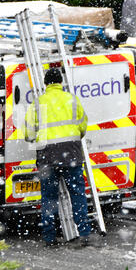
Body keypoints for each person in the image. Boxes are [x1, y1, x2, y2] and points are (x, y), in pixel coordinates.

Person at [25, 67, 91, 247]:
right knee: (77, 195)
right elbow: (83, 126)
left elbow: (29, 133)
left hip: (47, 157)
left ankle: (49, 238)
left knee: (49, 198)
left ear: (46, 84)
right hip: (72, 154)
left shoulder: (38, 103)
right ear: (60, 82)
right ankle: (84, 233)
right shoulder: (72, 99)